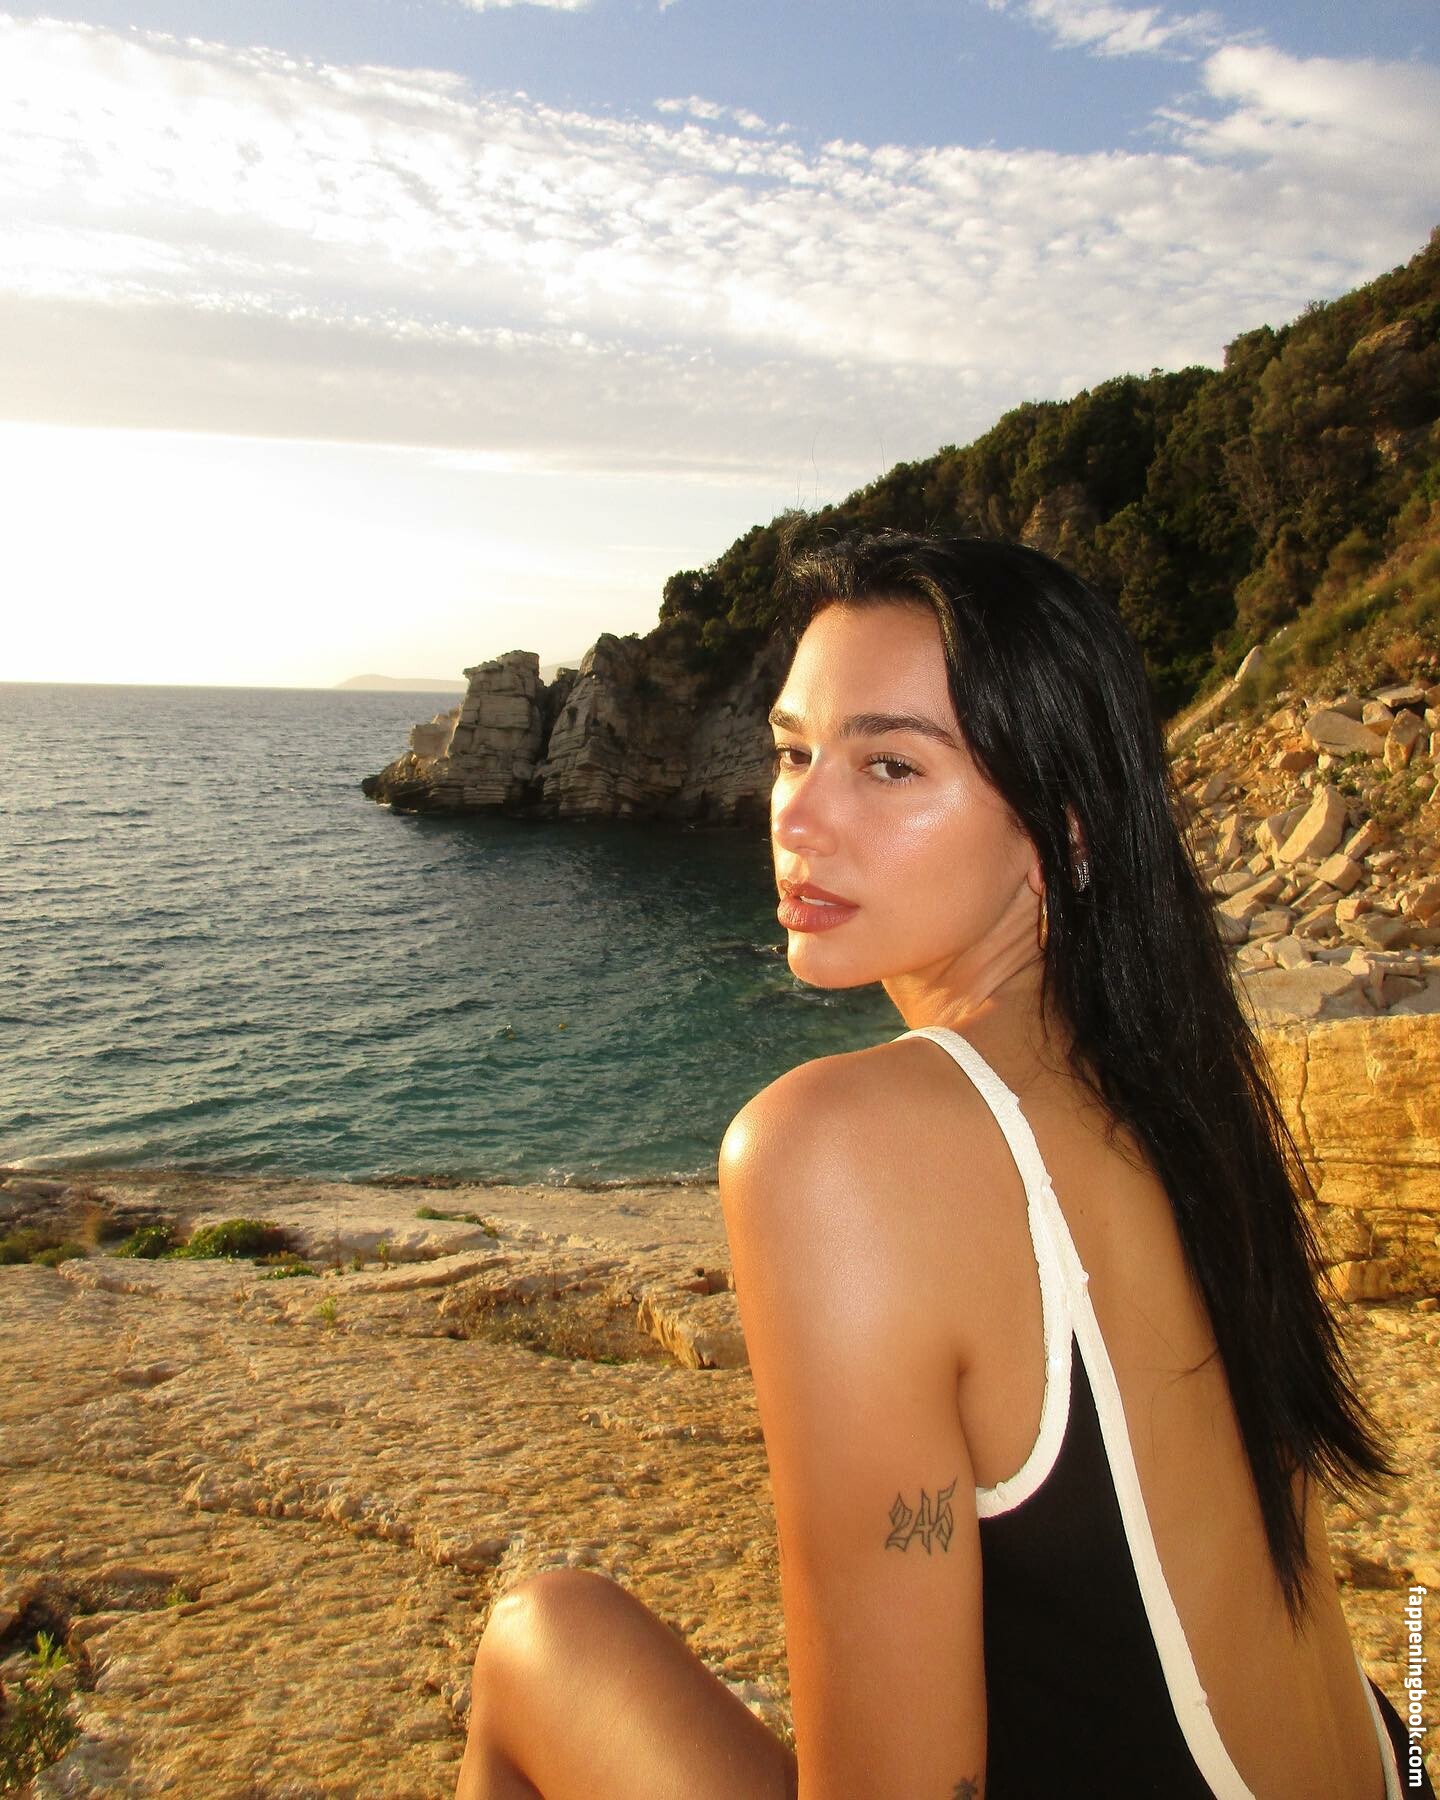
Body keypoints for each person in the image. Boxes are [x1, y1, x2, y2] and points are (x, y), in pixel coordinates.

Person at [455, 530, 1431, 1799]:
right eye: (793, 752)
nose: (798, 816)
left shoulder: (840, 1153)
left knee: (537, 1639)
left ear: (1062, 830)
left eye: (891, 765)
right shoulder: (1176, 1086)